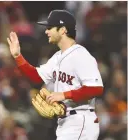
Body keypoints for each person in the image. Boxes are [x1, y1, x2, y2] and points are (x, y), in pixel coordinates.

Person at [7, 10, 104, 140]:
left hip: (80, 120)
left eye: (50, 28)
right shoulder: (57, 57)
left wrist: (63, 95)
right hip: (66, 122)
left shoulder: (81, 55)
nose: (46, 31)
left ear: (63, 30)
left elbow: (96, 88)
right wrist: (18, 57)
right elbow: (36, 77)